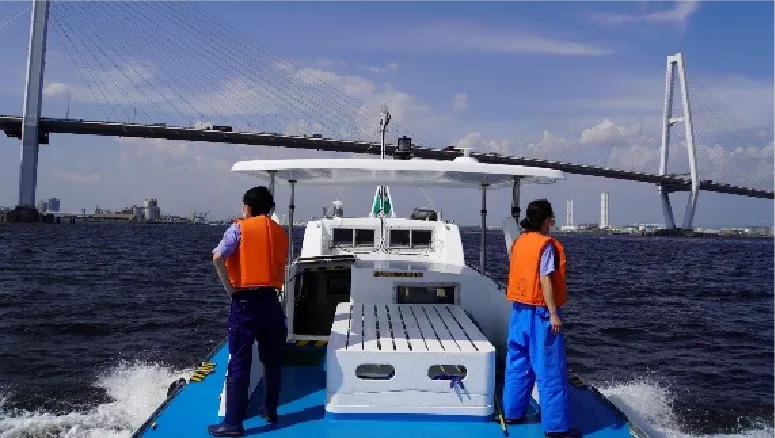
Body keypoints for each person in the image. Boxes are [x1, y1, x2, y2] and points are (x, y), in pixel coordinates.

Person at [207, 186, 289, 437]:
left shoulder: (239, 228)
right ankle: (271, 410)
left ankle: (233, 423)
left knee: (240, 363)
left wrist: (230, 290)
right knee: (272, 361)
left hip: (245, 304)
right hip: (271, 303)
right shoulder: (280, 233)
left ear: (248, 207)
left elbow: (218, 257)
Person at [502, 199, 579, 438]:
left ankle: (512, 413)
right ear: (546, 220)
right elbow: (546, 279)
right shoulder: (545, 246)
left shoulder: (519, 242)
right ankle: (556, 428)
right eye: (552, 218)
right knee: (550, 369)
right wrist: (553, 313)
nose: (553, 222)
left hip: (519, 310)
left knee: (518, 364)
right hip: (539, 313)